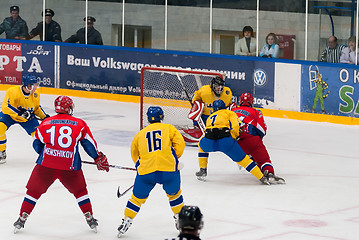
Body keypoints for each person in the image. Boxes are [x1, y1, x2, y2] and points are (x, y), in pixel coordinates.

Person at [13, 95, 110, 233]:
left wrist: (47, 153)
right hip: (70, 167)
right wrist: (97, 158)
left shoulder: (46, 123)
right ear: (69, 108)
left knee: (33, 192)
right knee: (80, 191)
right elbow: (89, 144)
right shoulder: (79, 123)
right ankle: (89, 216)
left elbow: (36, 144)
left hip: (46, 165)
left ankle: (22, 217)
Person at [117, 106, 186, 238]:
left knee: (136, 199)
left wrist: (140, 166)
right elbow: (180, 145)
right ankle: (180, 219)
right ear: (162, 117)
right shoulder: (169, 128)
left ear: (148, 119)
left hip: (146, 173)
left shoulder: (140, 134)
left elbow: (134, 153)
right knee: (175, 195)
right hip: (168, 171)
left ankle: (126, 221)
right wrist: (174, 159)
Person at [195, 99, 269, 185]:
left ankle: (203, 169)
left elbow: (206, 131)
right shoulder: (230, 113)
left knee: (201, 145)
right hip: (225, 141)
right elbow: (235, 126)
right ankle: (261, 177)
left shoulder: (210, 117)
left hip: (210, 141)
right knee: (244, 161)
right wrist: (234, 137)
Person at [232, 93, 285, 184]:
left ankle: (251, 160)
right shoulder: (256, 111)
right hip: (252, 139)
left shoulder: (232, 111)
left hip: (235, 143)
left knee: (244, 156)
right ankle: (269, 173)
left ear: (240, 101)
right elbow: (262, 130)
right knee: (264, 160)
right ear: (251, 101)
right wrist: (257, 141)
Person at [0, 74, 49, 164]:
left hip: (27, 119)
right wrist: (20, 113)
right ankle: (1, 152)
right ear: (27, 85)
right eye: (34, 85)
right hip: (10, 116)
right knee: (0, 128)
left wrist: (45, 117)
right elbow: (5, 107)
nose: (36, 87)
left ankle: (47, 155)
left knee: (39, 135)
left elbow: (37, 108)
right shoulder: (12, 91)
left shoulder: (35, 94)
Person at [184, 76, 234, 143]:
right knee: (197, 104)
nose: (219, 89)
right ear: (212, 86)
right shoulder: (204, 91)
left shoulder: (227, 92)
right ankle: (197, 127)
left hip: (220, 120)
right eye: (217, 87)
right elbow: (194, 99)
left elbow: (229, 106)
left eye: (221, 87)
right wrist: (195, 102)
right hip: (205, 117)